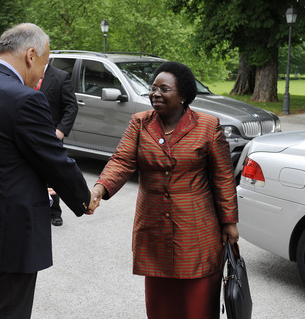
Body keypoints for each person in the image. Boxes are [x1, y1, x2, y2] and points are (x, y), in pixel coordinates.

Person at [0, 23, 98, 318]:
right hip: (10, 238)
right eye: (44, 64)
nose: (43, 74)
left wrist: (29, 183)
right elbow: (53, 159)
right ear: (31, 54)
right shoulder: (25, 99)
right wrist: (85, 198)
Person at [92, 61, 239, 319]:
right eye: (153, 88)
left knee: (198, 307)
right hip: (154, 228)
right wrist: (100, 188)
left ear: (183, 96)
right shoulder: (140, 123)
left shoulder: (207, 126)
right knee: (161, 306)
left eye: (164, 89)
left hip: (197, 230)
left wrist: (229, 221)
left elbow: (223, 177)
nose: (155, 93)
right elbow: (122, 161)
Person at [37, 64, 79, 226]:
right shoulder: (26, 73)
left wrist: (61, 131)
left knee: (53, 173)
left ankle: (55, 211)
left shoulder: (60, 76)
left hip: (52, 135)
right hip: (30, 133)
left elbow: (71, 106)